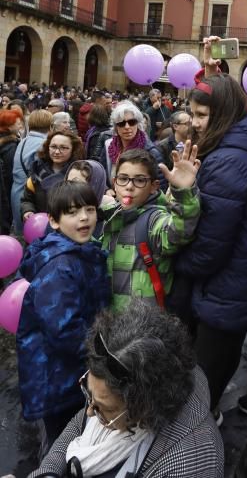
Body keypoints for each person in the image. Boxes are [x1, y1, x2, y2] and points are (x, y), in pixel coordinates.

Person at [174, 72, 247, 425]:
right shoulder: (242, 147)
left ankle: (195, 439)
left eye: (202, 115)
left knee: (205, 371)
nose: (193, 122)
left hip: (225, 283)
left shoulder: (229, 161)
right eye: (192, 113)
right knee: (218, 360)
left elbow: (211, 243)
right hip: (238, 279)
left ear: (223, 113)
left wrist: (179, 263)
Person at [28, 299, 224, 478]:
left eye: (105, 409)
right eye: (88, 393)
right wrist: (49, 472)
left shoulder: (192, 464)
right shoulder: (110, 390)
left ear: (145, 408)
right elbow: (79, 425)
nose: (89, 412)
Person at [16, 181, 110, 453]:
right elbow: (65, 332)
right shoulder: (60, 266)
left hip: (70, 373)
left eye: (89, 209)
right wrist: (104, 360)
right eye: (72, 212)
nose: (83, 217)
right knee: (62, 445)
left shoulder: (80, 251)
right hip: (59, 378)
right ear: (54, 222)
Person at [100, 144, 200, 312]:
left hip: (144, 322)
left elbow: (178, 232)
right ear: (114, 183)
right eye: (123, 178)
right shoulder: (111, 216)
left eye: (139, 180)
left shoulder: (154, 219)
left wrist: (183, 193)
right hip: (112, 319)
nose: (129, 186)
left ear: (154, 186)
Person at [21, 130, 85, 221]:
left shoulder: (80, 174)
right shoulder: (37, 172)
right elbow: (27, 200)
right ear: (48, 147)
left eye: (64, 148)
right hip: (41, 225)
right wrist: (27, 211)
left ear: (73, 150)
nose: (57, 152)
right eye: (53, 147)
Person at [11, 109, 53, 234]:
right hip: (30, 196)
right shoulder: (43, 144)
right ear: (50, 125)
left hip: (17, 191)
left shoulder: (24, 141)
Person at [101, 100, 160, 188]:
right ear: (116, 127)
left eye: (132, 122)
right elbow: (102, 175)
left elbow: (158, 186)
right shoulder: (108, 146)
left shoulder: (150, 151)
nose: (127, 127)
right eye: (121, 123)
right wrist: (106, 190)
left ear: (138, 124)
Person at [155, 110, 192, 192]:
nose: (191, 126)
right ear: (175, 126)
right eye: (187, 124)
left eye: (191, 122)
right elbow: (161, 176)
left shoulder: (196, 142)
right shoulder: (163, 146)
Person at [0, 107, 23, 233]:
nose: (20, 123)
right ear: (8, 126)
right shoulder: (10, 146)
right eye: (17, 122)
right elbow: (10, 173)